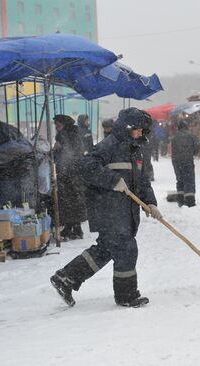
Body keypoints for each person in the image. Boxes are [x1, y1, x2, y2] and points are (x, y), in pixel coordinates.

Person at [50, 108, 161, 308]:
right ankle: (126, 295)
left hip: (123, 210)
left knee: (105, 250)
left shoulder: (135, 150)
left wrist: (151, 202)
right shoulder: (109, 145)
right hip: (108, 208)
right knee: (126, 248)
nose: (141, 135)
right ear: (128, 128)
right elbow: (87, 166)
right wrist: (113, 180)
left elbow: (142, 181)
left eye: (143, 131)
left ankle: (66, 278)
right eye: (138, 130)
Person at [53, 115, 87, 240]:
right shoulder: (73, 133)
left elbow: (68, 153)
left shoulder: (65, 135)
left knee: (69, 199)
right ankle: (74, 227)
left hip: (69, 172)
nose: (56, 126)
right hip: (74, 171)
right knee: (74, 199)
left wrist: (56, 149)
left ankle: (74, 228)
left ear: (64, 124)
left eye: (58, 124)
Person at [171, 120, 200, 207]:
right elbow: (197, 148)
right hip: (187, 160)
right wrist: (192, 153)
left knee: (179, 178)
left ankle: (180, 199)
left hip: (176, 161)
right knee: (189, 179)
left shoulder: (174, 137)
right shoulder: (191, 136)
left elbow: (172, 150)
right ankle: (190, 200)